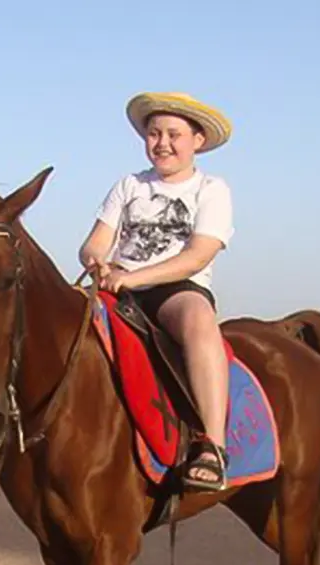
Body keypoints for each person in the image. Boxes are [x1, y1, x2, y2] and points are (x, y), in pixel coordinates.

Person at [78, 91, 235, 492]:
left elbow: (198, 256)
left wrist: (136, 278)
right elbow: (95, 242)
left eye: (173, 134)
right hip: (117, 285)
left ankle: (213, 446)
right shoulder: (129, 185)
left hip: (175, 289)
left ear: (197, 140)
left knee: (199, 321)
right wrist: (99, 262)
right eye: (153, 134)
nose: (162, 143)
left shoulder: (211, 189)